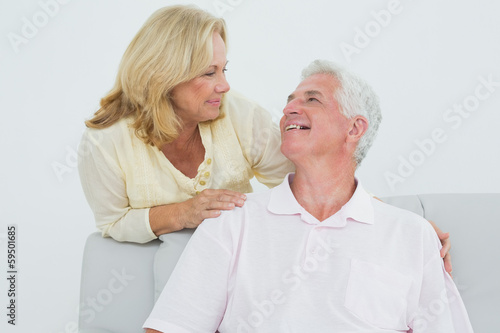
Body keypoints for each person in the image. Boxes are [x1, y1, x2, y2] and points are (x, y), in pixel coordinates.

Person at [78, 4, 451, 296]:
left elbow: (311, 182)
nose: (224, 85)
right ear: (164, 76)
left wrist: (406, 225)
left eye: (225, 69)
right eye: (209, 72)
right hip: (173, 268)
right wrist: (183, 213)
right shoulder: (104, 141)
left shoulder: (235, 114)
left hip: (240, 266)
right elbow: (112, 222)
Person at [143, 60, 473, 332]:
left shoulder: (412, 235)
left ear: (354, 129)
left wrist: (411, 227)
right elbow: (170, 327)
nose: (288, 109)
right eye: (290, 100)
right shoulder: (232, 220)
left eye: (311, 99)